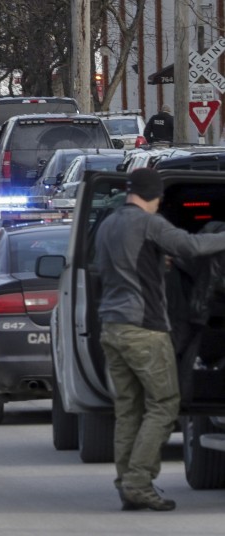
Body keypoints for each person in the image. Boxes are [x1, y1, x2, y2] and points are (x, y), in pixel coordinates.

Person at [94, 168, 225, 511]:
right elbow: (191, 245)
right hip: (145, 329)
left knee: (128, 410)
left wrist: (158, 264)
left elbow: (116, 267)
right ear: (155, 196)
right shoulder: (150, 223)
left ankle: (127, 484)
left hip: (112, 327)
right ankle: (139, 482)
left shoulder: (108, 224)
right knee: (165, 403)